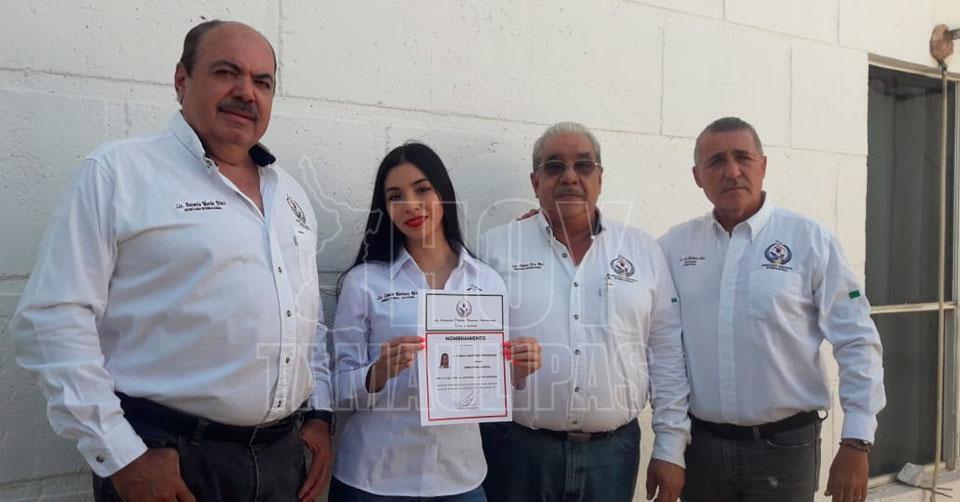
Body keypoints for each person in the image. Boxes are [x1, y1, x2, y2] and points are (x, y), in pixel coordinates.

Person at [11, 20, 333, 502]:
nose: (246, 92)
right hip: (169, 460)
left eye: (262, 82)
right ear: (182, 80)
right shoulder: (119, 172)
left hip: (282, 460)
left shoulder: (290, 194)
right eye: (226, 72)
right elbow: (52, 319)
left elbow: (309, 320)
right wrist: (122, 455)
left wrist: (320, 415)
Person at [658, 116, 886, 502]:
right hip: (701, 450)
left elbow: (857, 341)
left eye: (743, 157)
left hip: (785, 449)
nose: (732, 171)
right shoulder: (674, 247)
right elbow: (656, 338)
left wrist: (857, 441)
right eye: (716, 161)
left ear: (763, 166)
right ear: (698, 176)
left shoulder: (810, 241)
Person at [478, 122, 690, 502]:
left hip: (613, 455)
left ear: (600, 178)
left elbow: (667, 354)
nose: (570, 177)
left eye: (583, 165)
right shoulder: (495, 249)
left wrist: (670, 448)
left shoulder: (642, 251)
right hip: (517, 453)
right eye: (554, 166)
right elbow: (470, 349)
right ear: (535, 182)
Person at [329, 142, 543, 501]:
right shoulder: (364, 282)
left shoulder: (486, 281)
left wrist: (518, 371)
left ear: (443, 193)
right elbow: (336, 387)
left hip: (458, 477)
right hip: (374, 477)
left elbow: (489, 382)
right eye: (395, 196)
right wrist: (377, 373)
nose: (411, 205)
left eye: (422, 189)